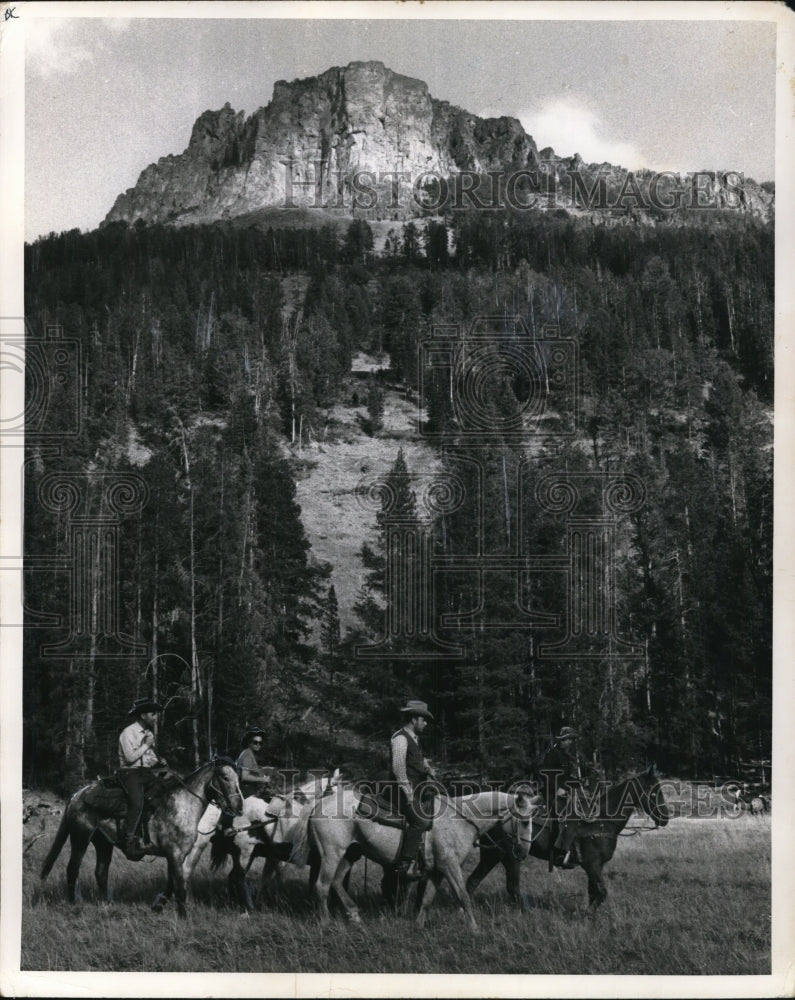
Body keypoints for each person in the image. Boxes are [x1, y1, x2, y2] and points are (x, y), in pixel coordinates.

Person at [390, 699, 435, 881]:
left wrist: (426, 767)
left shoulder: (415, 739)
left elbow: (414, 760)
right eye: (423, 720)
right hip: (401, 791)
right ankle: (405, 863)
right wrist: (408, 792)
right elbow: (399, 766)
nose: (425, 723)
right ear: (415, 719)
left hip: (417, 788)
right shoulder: (400, 738)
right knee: (420, 821)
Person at [117, 697, 167, 860]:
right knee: (137, 803)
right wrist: (146, 744)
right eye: (153, 714)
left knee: (166, 788)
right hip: (129, 773)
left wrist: (158, 760)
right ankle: (129, 840)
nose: (155, 717)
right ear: (143, 715)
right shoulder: (128, 733)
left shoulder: (148, 733)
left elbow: (149, 758)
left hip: (145, 773)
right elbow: (130, 758)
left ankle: (154, 833)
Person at [533, 725, 581, 869]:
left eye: (572, 740)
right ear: (562, 740)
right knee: (564, 818)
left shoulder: (566, 756)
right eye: (569, 739)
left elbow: (564, 778)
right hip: (551, 793)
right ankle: (559, 852)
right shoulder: (553, 753)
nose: (570, 742)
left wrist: (575, 783)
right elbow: (545, 773)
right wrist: (557, 789)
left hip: (563, 793)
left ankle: (573, 850)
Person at [236, 728, 276, 798]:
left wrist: (264, 768)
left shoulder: (248, 752)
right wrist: (263, 779)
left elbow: (251, 769)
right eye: (255, 742)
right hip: (247, 791)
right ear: (249, 742)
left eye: (260, 743)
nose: (258, 745)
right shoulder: (247, 755)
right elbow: (244, 777)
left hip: (249, 789)